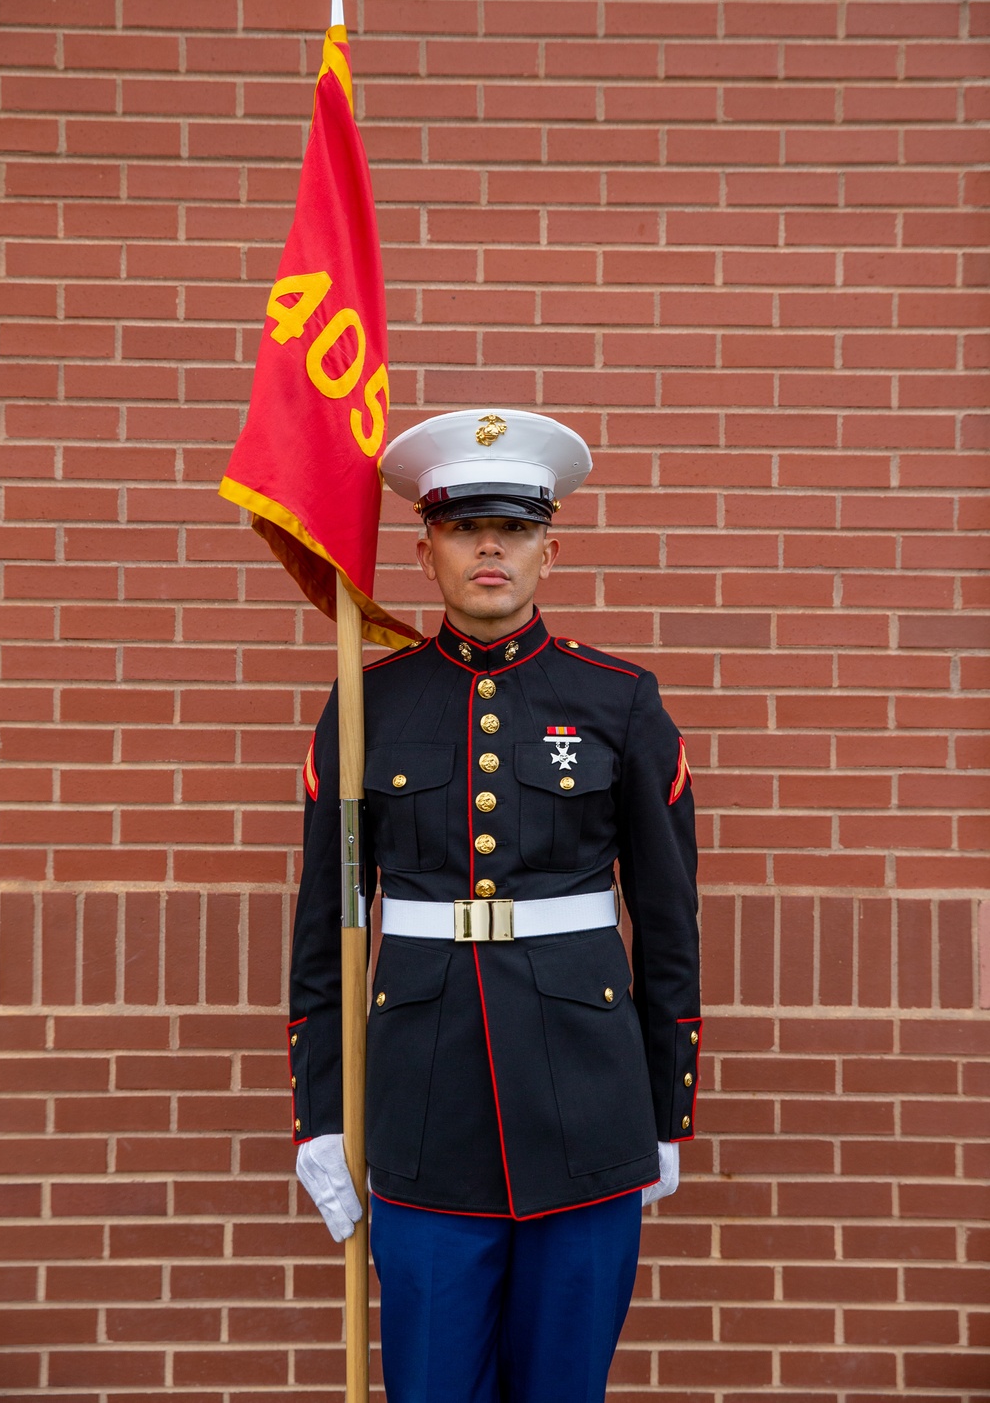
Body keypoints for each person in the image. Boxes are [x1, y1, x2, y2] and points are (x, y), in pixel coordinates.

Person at [288, 408, 701, 1403]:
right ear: (424, 550)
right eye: (463, 528)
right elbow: (329, 920)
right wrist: (321, 1114)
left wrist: (666, 1107)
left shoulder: (618, 702)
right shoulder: (367, 703)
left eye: (512, 529)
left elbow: (667, 916)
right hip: (424, 1112)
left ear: (548, 550)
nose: (488, 548)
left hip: (592, 1107)